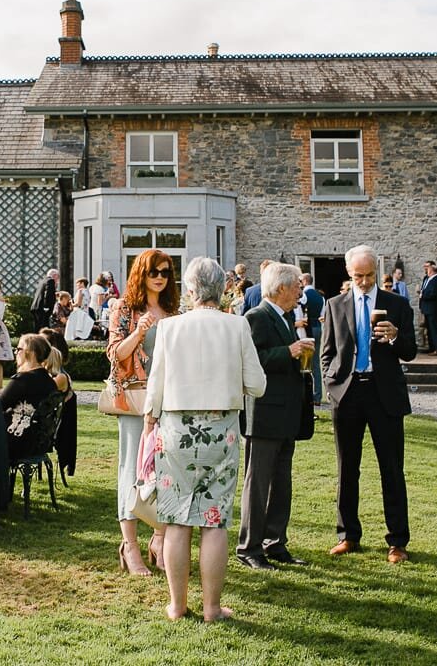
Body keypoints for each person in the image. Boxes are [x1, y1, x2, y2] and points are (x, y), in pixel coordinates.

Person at [145, 257, 266, 623]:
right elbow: (257, 385)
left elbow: (156, 387)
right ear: (224, 289)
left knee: (178, 520)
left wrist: (151, 422)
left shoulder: (170, 328)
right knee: (214, 521)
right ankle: (212, 608)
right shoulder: (237, 325)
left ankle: (177, 606)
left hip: (176, 428)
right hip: (222, 429)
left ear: (191, 290)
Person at [322, 245, 418, 564]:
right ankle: (348, 535)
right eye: (357, 276)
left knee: (391, 469)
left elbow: (410, 352)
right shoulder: (335, 305)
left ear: (378, 271)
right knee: (347, 469)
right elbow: (327, 353)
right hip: (348, 394)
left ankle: (397, 541)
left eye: (369, 275)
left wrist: (394, 337)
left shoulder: (397, 304)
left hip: (384, 394)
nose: (363, 281)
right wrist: (331, 385)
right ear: (349, 273)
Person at [107, 247, 179, 577]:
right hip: (136, 401)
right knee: (132, 472)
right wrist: (139, 332)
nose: (161, 278)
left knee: (164, 472)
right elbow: (115, 354)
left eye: (166, 272)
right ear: (142, 273)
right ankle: (130, 546)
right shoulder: (126, 308)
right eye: (154, 272)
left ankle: (160, 540)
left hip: (168, 401)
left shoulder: (173, 310)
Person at [238, 262, 312, 570]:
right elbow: (252, 361)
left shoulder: (288, 317)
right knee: (258, 483)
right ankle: (249, 548)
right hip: (264, 414)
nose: (300, 291)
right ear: (280, 288)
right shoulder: (256, 317)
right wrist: (291, 352)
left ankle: (275, 542)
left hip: (287, 414)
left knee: (282, 482)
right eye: (297, 285)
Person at [0, 334, 58, 460]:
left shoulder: (23, 380)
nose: (16, 352)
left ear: (30, 353)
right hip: (40, 441)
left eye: (19, 349)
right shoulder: (50, 382)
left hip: (17, 440)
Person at [298, 274, 326, 404]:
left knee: (305, 361)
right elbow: (322, 315)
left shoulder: (303, 296)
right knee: (316, 363)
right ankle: (318, 395)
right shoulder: (321, 297)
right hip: (318, 327)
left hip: (307, 328)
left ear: (304, 281)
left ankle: (307, 394)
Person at [418, 260, 437, 356]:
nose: (425, 268)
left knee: (436, 329)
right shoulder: (426, 279)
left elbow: (434, 294)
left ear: (433, 267)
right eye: (424, 266)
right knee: (429, 330)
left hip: (435, 309)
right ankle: (432, 347)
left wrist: (422, 295)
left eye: (427, 266)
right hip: (427, 308)